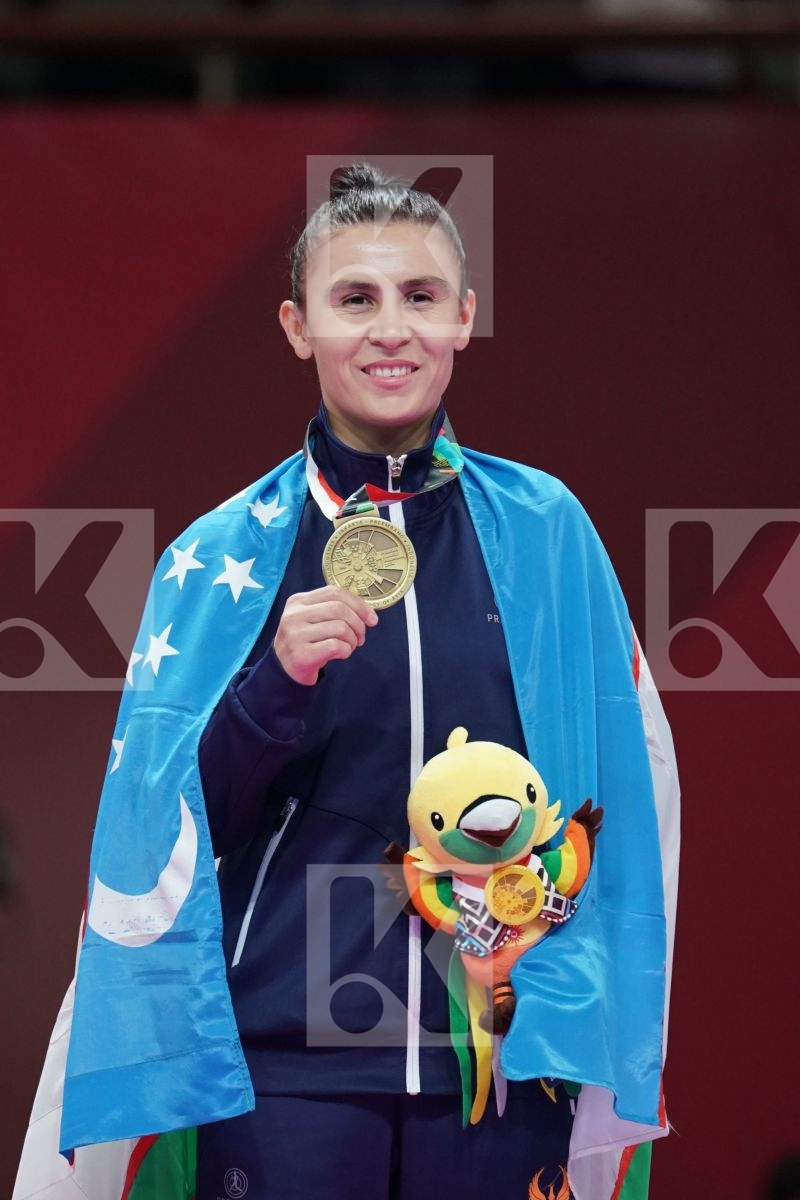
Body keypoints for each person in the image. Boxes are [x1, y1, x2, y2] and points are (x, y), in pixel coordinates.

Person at [15, 162, 678, 1200]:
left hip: (496, 1050)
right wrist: (273, 680)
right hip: (291, 1058)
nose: (389, 330)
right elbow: (172, 840)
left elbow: (617, 798)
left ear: (462, 318)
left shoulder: (547, 530)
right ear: (297, 325)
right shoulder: (224, 553)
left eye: (418, 298)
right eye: (354, 300)